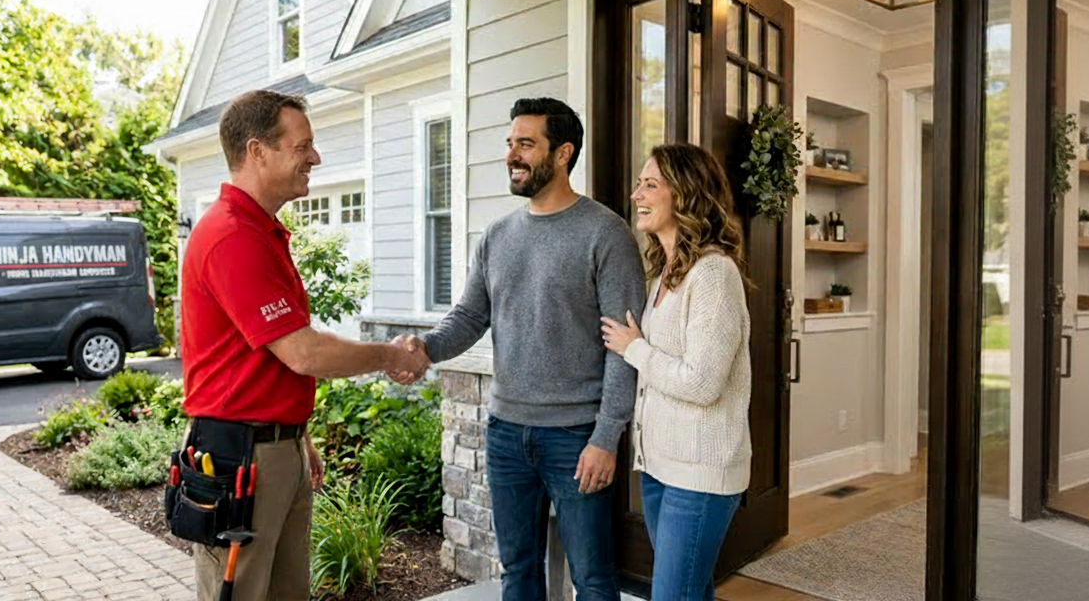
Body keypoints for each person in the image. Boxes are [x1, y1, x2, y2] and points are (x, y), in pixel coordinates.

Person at [179, 89, 430, 601]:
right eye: (303, 146)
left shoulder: (261, 231)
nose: (315, 158)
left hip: (273, 449)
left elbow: (265, 356)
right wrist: (387, 355)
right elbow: (303, 352)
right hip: (239, 458)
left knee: (286, 593)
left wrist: (296, 435)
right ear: (257, 151)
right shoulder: (231, 237)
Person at [401, 97, 645, 601]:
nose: (512, 154)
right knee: (517, 571)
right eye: (510, 143)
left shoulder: (606, 233)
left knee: (594, 578)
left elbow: (625, 347)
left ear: (562, 154)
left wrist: (605, 437)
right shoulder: (497, 235)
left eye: (526, 144)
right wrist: (423, 349)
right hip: (507, 431)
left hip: (576, 436)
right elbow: (470, 316)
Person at [600, 143, 753, 601]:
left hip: (700, 475)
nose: (636, 194)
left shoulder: (713, 274)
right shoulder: (664, 274)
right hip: (660, 468)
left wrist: (636, 350)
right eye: (639, 183)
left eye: (651, 184)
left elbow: (703, 383)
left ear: (685, 194)